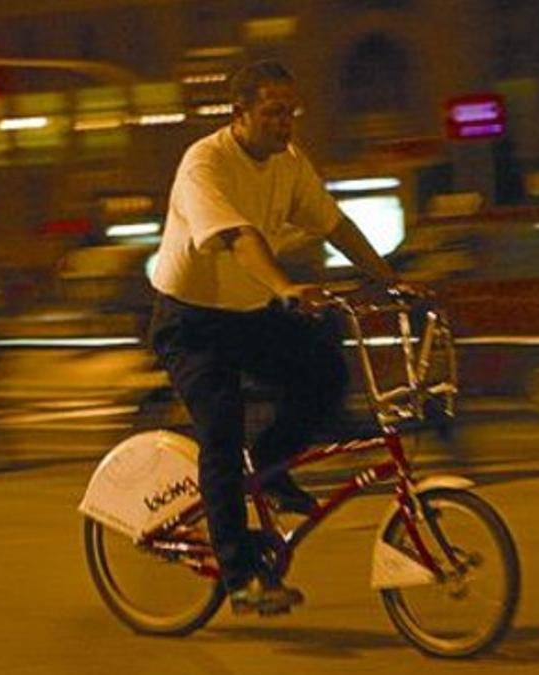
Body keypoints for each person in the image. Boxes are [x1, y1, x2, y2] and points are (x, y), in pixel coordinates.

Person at [147, 60, 397, 615]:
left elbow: (334, 224)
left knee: (325, 370)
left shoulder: (289, 163)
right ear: (240, 115)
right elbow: (239, 237)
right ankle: (241, 579)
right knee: (220, 429)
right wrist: (286, 286)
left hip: (249, 311)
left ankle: (273, 467)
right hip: (192, 323)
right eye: (273, 112)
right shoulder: (204, 164)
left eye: (291, 112)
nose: (285, 124)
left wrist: (391, 280)